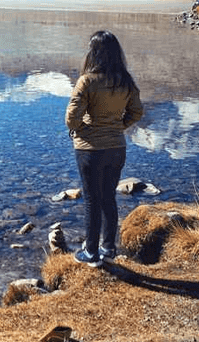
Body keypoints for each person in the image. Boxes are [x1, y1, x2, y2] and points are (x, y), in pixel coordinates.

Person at [65, 31, 144, 267]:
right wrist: (117, 127)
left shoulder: (87, 81)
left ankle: (91, 253)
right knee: (109, 197)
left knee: (91, 200)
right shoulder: (125, 80)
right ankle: (108, 248)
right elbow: (137, 112)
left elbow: (71, 117)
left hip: (90, 149)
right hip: (116, 147)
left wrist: (82, 129)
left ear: (94, 52)